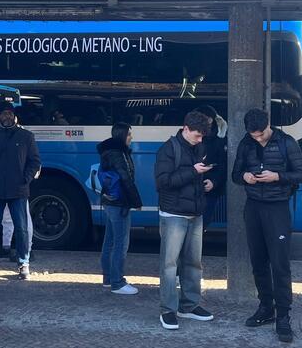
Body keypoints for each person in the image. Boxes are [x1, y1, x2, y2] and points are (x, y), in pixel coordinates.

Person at [231, 108, 302, 343]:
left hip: (277, 207)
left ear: (268, 127)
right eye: (253, 135)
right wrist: (244, 176)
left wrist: (277, 177)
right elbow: (235, 174)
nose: (257, 138)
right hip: (253, 206)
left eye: (260, 135)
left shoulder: (286, 142)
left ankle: (283, 315)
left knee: (280, 263)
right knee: (258, 261)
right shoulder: (246, 143)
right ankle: (266, 307)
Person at [155, 110, 215, 330]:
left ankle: (189, 305)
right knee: (170, 265)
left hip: (194, 213)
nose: (200, 140)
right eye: (197, 135)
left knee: (193, 263)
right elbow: (162, 182)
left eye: (202, 137)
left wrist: (207, 182)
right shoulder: (168, 149)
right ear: (186, 129)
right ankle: (168, 310)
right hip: (173, 214)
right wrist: (193, 172)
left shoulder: (197, 147)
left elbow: (191, 179)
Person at [0, 102, 41, 280]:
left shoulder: (26, 136)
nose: (7, 117)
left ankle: (23, 263)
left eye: (9, 114)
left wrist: (25, 179)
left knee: (21, 229)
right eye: (3, 114)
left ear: (14, 116)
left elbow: (34, 161)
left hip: (18, 190)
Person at [97, 122, 143, 295]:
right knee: (121, 243)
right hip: (119, 204)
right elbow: (126, 179)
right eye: (129, 134)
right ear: (122, 135)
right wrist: (136, 202)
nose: (131, 137)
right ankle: (118, 282)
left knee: (109, 241)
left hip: (109, 202)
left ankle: (108, 279)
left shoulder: (108, 151)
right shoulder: (119, 153)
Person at [194, 105, 228, 229]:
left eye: (209, 119)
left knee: (203, 223)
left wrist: (214, 182)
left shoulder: (220, 139)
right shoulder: (184, 139)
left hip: (210, 188)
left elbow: (222, 165)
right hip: (189, 188)